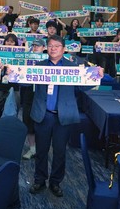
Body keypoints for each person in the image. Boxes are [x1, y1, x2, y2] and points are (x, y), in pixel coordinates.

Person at [28, 35, 103, 197]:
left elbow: (83, 87)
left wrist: (96, 76)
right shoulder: (39, 66)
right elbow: (23, 80)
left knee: (60, 151)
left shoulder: (73, 67)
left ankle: (55, 182)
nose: (53, 48)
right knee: (41, 150)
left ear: (63, 49)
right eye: (50, 45)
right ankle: (39, 180)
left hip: (63, 116)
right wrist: (10, 72)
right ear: (47, 48)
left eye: (57, 46)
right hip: (43, 114)